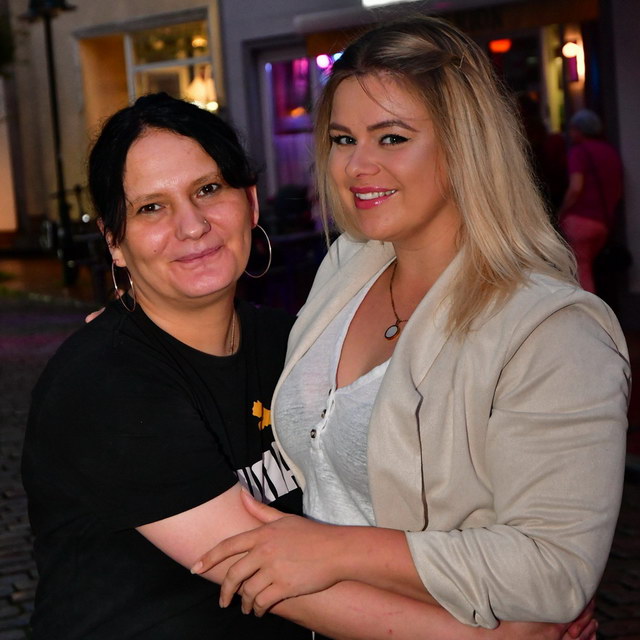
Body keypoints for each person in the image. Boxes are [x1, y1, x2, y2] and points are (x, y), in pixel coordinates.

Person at [21, 93, 593, 640]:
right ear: (114, 241)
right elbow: (267, 568)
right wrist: (498, 633)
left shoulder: (297, 344)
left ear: (249, 202)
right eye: (151, 208)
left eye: (208, 189)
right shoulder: (105, 383)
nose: (191, 225)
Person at [193, 16, 630, 636]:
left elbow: (553, 569)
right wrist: (151, 332)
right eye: (343, 139)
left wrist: (336, 552)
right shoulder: (349, 265)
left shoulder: (551, 330)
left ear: (465, 146)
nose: (356, 165)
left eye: (392, 138)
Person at [558, 109, 624, 293]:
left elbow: (575, 187)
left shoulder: (579, 152)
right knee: (588, 267)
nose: (570, 133)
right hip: (603, 222)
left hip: (580, 220)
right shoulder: (610, 151)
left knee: (581, 270)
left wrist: (561, 211)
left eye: (572, 128)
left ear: (580, 130)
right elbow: (618, 190)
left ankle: (587, 309)